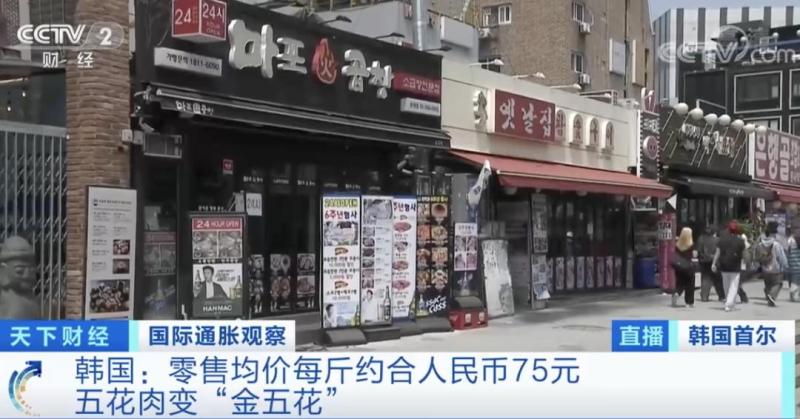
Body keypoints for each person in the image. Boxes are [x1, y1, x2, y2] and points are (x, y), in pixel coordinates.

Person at [713, 221, 746, 312]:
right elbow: (744, 254)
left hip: (724, 265)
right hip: (735, 266)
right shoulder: (740, 241)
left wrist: (714, 263)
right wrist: (745, 263)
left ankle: (730, 302)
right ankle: (729, 304)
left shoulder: (722, 240)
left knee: (726, 285)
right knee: (734, 286)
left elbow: (718, 252)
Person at [754, 221, 788, 306]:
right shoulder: (776, 244)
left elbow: (756, 255)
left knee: (768, 284)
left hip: (765, 269)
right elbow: (781, 257)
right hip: (776, 269)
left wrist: (757, 266)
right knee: (778, 283)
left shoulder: (760, 244)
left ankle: (768, 296)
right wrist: (785, 265)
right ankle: (772, 296)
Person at [697, 225, 724, 302]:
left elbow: (699, 251)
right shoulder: (717, 240)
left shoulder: (701, 239)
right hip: (715, 261)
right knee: (718, 279)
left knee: (705, 278)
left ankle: (704, 296)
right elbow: (720, 252)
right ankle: (721, 296)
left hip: (705, 261)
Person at [671, 227, 696, 308]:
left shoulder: (677, 244)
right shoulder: (691, 244)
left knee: (680, 282)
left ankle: (676, 293)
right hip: (687, 267)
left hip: (678, 267)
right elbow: (694, 255)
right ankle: (689, 302)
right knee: (690, 283)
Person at [787, 230, 800, 302]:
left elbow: (788, 252)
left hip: (793, 266)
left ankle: (793, 294)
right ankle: (794, 294)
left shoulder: (791, 240)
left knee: (794, 281)